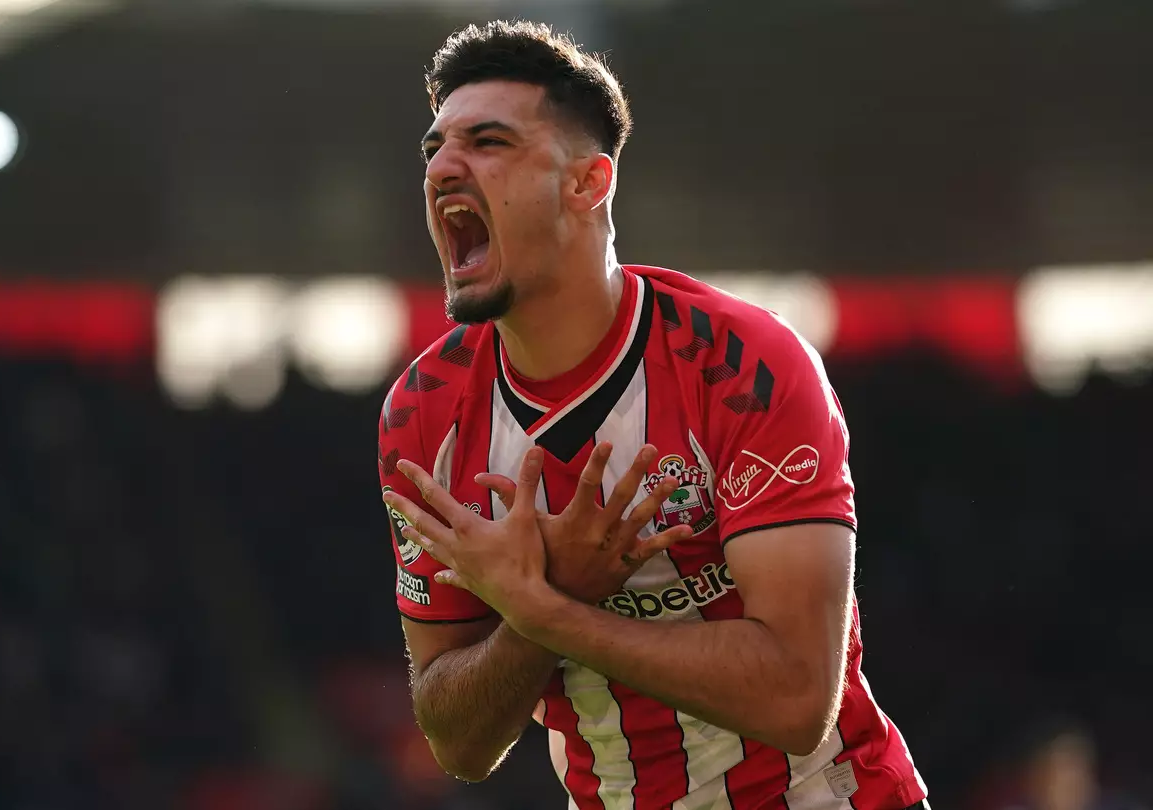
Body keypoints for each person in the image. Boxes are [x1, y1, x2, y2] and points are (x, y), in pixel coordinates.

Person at [376, 18, 928, 810]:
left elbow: (797, 701)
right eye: (434, 150)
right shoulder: (421, 417)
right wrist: (548, 607)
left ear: (588, 183)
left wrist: (545, 607)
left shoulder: (747, 366)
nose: (443, 170)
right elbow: (458, 743)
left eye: (488, 142)